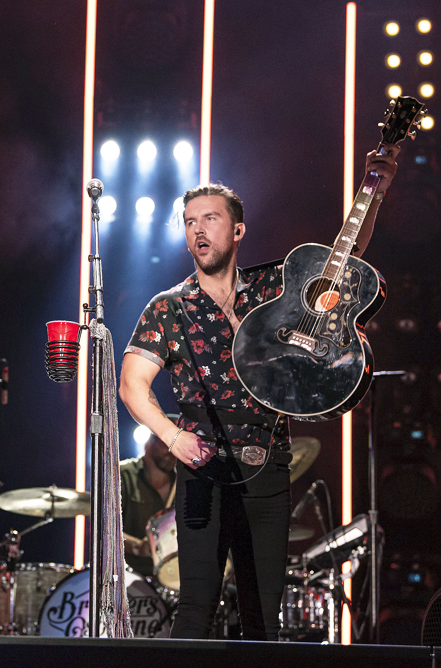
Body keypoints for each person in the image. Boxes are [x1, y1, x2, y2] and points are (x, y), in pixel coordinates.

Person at [118, 147, 399, 640]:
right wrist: (171, 436)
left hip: (268, 465)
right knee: (195, 608)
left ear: (238, 230)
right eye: (188, 222)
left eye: (210, 218)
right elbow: (131, 385)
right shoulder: (169, 307)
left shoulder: (273, 289)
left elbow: (345, 258)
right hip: (201, 464)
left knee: (263, 616)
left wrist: (373, 191)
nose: (198, 230)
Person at [120, 416, 178, 577]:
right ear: (149, 442)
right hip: (128, 576)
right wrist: (138, 547)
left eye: (176, 444)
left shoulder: (182, 482)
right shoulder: (121, 475)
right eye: (167, 442)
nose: (172, 450)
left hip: (173, 577)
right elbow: (103, 529)